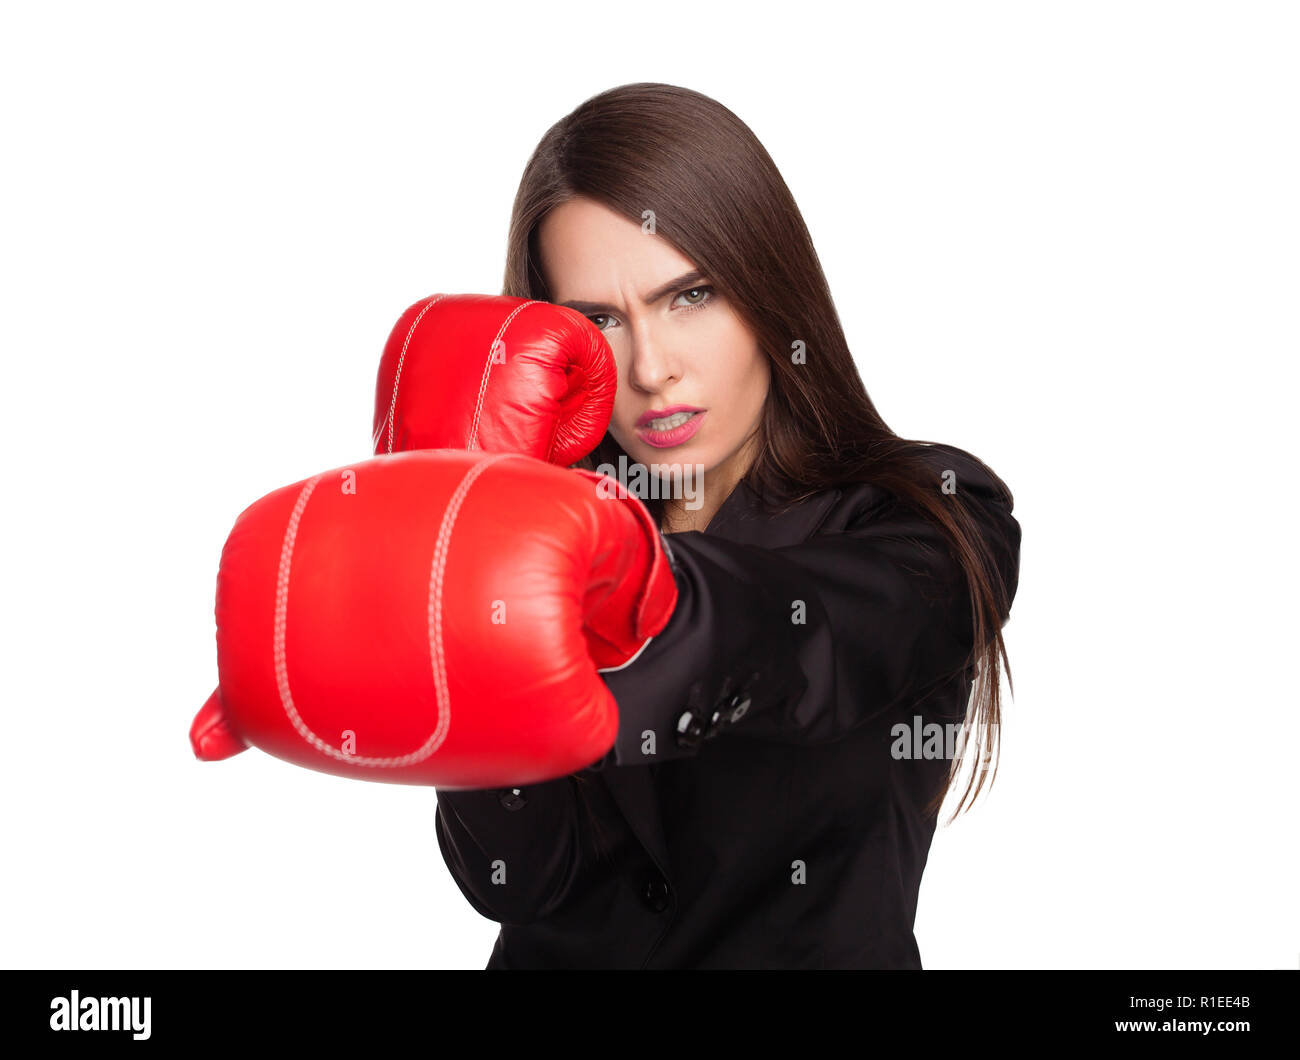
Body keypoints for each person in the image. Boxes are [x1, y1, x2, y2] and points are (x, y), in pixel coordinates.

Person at [433, 82, 1022, 969]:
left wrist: (584, 580)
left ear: (767, 292)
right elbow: (514, 880)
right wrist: (454, 607)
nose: (652, 367)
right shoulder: (528, 535)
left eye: (691, 295)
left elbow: (802, 643)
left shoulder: (933, 515)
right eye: (598, 320)